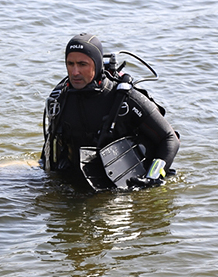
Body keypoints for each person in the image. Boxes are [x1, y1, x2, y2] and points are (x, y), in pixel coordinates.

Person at [40, 34, 180, 190]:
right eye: (70, 63)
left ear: (97, 64)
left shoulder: (125, 98)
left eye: (82, 64)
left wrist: (153, 177)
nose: (74, 72)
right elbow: (50, 150)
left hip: (125, 184)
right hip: (78, 181)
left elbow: (169, 138)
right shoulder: (60, 99)